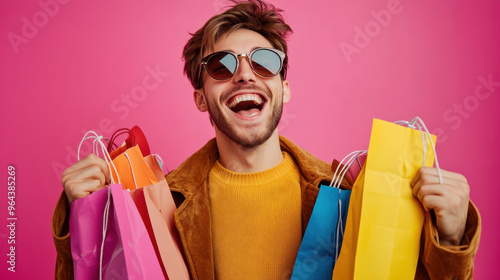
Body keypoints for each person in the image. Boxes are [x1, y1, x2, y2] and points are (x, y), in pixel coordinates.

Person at [52, 0, 480, 279]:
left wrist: (454, 234)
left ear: (284, 87)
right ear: (201, 97)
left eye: (264, 61)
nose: (244, 73)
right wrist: (80, 222)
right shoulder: (157, 203)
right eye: (220, 65)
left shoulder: (352, 192)